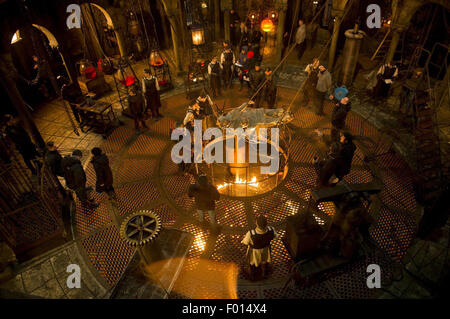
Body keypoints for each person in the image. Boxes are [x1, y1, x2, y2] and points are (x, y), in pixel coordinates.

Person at [241, 215, 277, 281]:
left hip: (255, 252)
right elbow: (275, 236)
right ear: (267, 223)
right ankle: (266, 272)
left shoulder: (251, 233)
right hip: (266, 250)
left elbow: (245, 242)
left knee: (254, 263)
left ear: (257, 223)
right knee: (265, 261)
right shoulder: (271, 229)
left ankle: (255, 276)